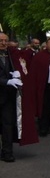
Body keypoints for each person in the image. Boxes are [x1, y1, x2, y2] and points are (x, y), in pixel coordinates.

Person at [0, 33, 23, 162]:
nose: (3, 43)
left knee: (8, 125)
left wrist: (16, 75)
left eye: (5, 41)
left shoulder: (9, 54)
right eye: (1, 41)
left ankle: (7, 152)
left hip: (8, 96)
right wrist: (6, 81)